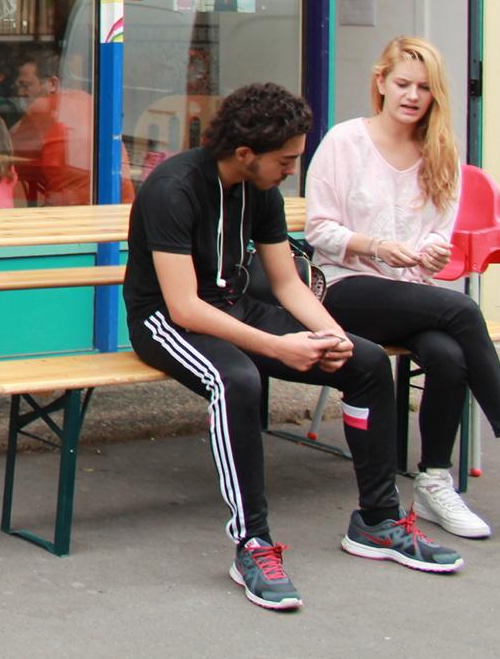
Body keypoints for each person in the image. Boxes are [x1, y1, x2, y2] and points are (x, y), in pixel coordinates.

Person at [124, 81, 461, 612]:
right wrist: (279, 349)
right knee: (236, 380)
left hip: (235, 308)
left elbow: (286, 283)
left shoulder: (261, 189)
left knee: (366, 361)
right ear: (244, 154)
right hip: (167, 321)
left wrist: (333, 337)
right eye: (286, 159)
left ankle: (378, 521)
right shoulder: (173, 188)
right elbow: (185, 307)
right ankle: (252, 543)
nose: (292, 169)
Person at [306, 36, 500, 537]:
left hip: (408, 293)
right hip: (343, 286)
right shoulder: (345, 141)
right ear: (380, 81)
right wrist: (377, 246)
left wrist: (432, 254)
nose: (412, 95)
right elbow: (318, 230)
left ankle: (434, 481)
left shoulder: (439, 153)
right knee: (464, 311)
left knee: (448, 354)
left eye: (424, 87)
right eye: (402, 83)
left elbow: (436, 244)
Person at [10, 49, 95, 205]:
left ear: (52, 84)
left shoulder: (43, 107)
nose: (21, 93)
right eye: (19, 86)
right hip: (110, 204)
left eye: (26, 85)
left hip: (69, 209)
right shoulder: (88, 101)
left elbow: (7, 150)